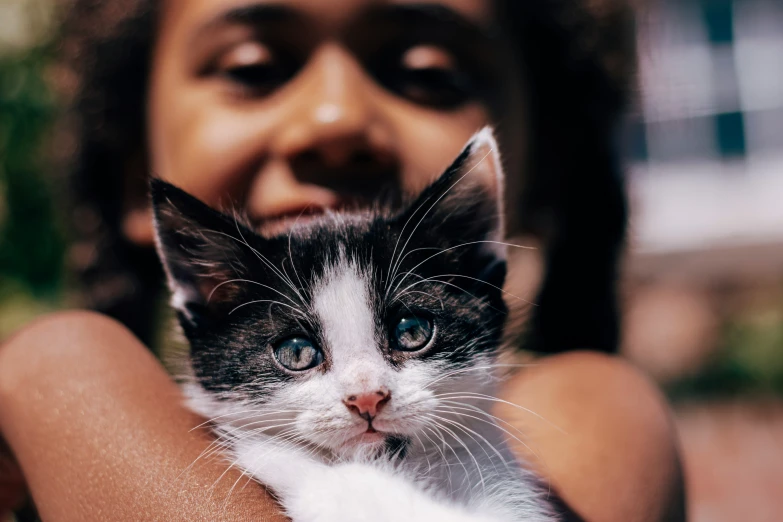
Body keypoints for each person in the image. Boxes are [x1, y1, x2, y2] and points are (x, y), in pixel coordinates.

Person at [0, 0, 686, 520]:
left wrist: (57, 369)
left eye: (425, 75)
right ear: (130, 166)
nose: (334, 121)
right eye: (253, 69)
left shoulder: (588, 415)